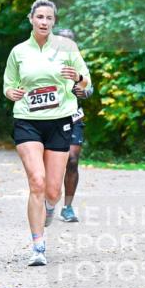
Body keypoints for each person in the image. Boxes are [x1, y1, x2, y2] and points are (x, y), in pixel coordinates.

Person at [3, 0, 91, 266]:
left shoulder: (67, 48)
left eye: (49, 18)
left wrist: (76, 78)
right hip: (27, 120)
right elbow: (7, 85)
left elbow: (85, 81)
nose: (44, 22)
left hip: (59, 120)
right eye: (39, 17)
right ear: (31, 19)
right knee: (37, 182)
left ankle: (51, 208)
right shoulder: (18, 51)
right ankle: (38, 246)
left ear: (54, 21)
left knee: (53, 191)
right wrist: (11, 93)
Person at [53, 28, 93, 223]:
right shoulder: (46, 62)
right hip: (50, 118)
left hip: (74, 117)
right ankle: (48, 201)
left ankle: (67, 207)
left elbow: (89, 88)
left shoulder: (79, 65)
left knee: (72, 160)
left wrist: (83, 92)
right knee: (51, 164)